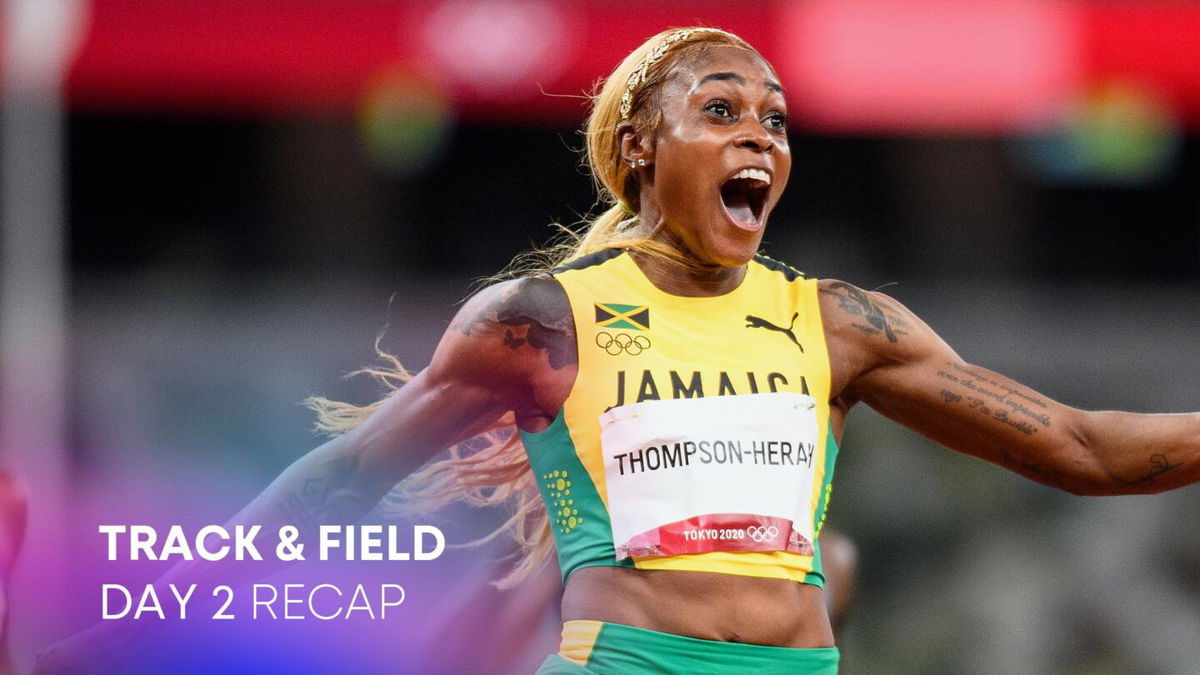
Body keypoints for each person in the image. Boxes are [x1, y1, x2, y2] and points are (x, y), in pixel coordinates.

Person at [36, 26, 1200, 674]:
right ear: (642, 145)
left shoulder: (839, 323)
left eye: (776, 120)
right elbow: (341, 479)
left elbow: (1081, 447)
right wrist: (137, 624)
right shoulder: (541, 321)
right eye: (725, 113)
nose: (762, 138)